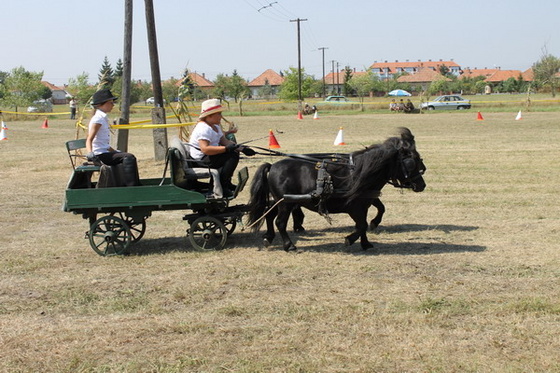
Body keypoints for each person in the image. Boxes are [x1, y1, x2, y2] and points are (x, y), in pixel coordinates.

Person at [188, 98, 255, 197]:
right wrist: (226, 149)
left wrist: (242, 148)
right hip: (201, 160)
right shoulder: (204, 128)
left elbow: (225, 141)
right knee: (232, 156)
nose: (221, 116)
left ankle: (226, 182)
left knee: (234, 153)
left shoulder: (215, 126)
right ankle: (223, 185)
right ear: (209, 116)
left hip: (210, 156)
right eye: (218, 114)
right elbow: (205, 149)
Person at [86, 89, 140, 186]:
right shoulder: (98, 119)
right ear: (102, 104)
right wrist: (90, 153)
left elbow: (104, 144)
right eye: (110, 103)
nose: (113, 105)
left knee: (125, 155)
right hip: (100, 155)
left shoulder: (102, 117)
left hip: (104, 152)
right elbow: (89, 139)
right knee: (129, 157)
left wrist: (114, 151)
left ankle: (129, 184)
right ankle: (132, 187)